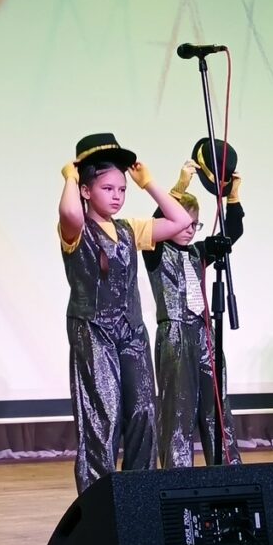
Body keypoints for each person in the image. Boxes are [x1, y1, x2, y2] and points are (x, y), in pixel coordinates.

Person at [58, 133, 191, 492]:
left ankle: (139, 495)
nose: (116, 196)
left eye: (121, 189)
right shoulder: (76, 228)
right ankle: (99, 500)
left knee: (143, 411)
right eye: (107, 189)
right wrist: (70, 175)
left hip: (131, 330)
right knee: (102, 415)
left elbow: (179, 221)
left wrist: (148, 184)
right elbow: (69, 211)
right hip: (93, 329)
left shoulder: (130, 228)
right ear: (86, 190)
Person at [143, 148, 244, 468]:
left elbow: (232, 233)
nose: (189, 229)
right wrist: (179, 187)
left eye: (195, 224)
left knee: (217, 405)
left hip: (203, 332)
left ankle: (227, 471)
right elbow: (156, 220)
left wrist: (233, 196)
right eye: (184, 222)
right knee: (179, 408)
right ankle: (178, 474)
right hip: (175, 333)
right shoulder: (156, 250)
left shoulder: (198, 251)